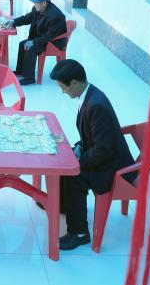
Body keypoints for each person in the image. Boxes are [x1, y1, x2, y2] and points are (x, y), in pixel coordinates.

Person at [49, 59, 137, 250]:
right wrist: (78, 149)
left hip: (112, 167)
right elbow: (92, 137)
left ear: (75, 82)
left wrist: (78, 162)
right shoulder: (89, 95)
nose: (62, 92)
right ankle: (65, 205)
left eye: (63, 87)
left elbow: (102, 150)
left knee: (73, 175)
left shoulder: (96, 105)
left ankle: (79, 233)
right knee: (64, 161)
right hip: (103, 155)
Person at [11, 0, 66, 85]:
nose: (34, 4)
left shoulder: (55, 15)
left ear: (44, 3)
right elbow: (27, 18)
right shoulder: (37, 9)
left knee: (30, 48)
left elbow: (49, 35)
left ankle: (29, 78)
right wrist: (13, 22)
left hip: (53, 42)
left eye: (36, 2)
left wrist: (33, 42)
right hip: (42, 37)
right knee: (22, 44)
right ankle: (20, 71)